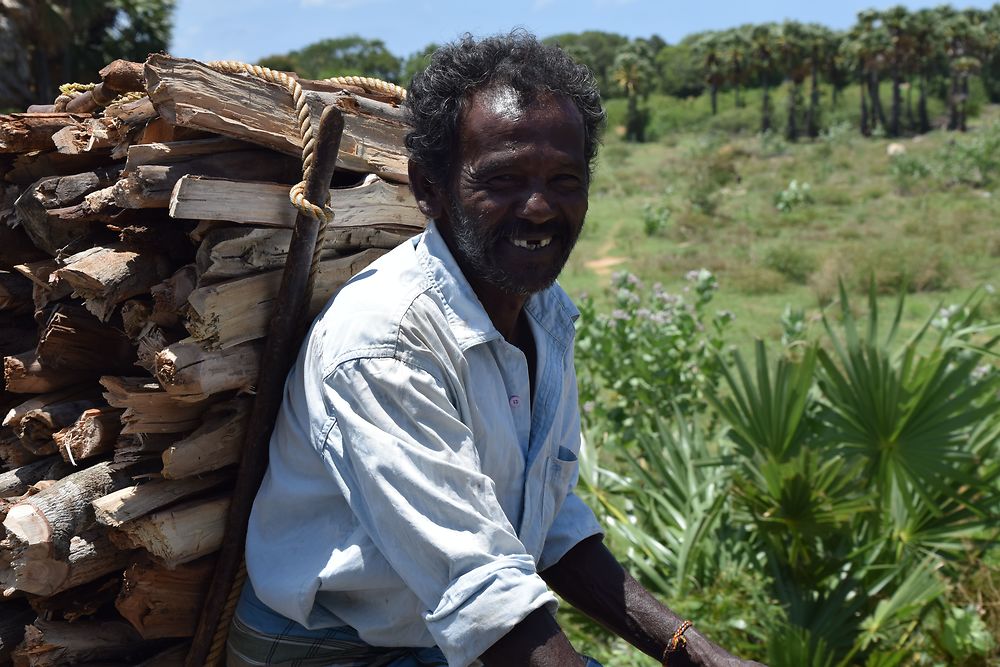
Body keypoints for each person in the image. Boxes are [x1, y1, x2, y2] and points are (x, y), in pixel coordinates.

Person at [228, 31, 765, 667]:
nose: (539, 208)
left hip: (435, 634)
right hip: (330, 648)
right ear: (428, 188)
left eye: (564, 179)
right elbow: (480, 591)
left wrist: (690, 650)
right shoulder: (386, 345)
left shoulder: (543, 311)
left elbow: (545, 517)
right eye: (503, 180)